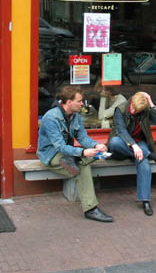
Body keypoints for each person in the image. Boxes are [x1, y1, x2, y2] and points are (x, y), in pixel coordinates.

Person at [37, 85, 113, 222]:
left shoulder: (75, 115)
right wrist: (83, 152)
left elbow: (83, 137)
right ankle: (91, 209)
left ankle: (79, 161)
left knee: (94, 155)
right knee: (82, 168)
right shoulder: (51, 118)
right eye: (79, 101)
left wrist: (96, 145)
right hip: (51, 155)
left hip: (69, 153)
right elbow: (60, 147)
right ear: (68, 102)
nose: (82, 104)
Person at [107, 91, 156, 216]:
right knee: (114, 142)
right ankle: (150, 154)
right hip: (122, 144)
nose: (133, 111)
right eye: (132, 108)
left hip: (140, 144)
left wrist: (150, 102)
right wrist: (133, 146)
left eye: (136, 111)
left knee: (143, 161)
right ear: (131, 102)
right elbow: (121, 130)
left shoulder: (145, 109)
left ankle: (145, 201)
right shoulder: (120, 109)